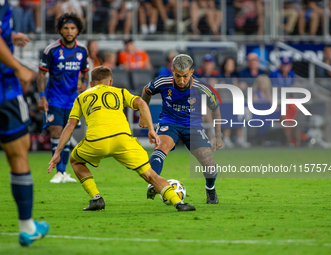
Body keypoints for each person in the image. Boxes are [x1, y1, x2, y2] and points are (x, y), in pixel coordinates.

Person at [48, 66, 195, 212]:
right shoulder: (120, 92)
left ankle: (96, 198)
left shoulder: (81, 97)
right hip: (123, 140)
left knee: (75, 160)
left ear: (91, 84)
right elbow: (142, 103)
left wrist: (57, 152)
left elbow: (70, 125)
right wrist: (151, 129)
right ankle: (179, 203)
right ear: (110, 82)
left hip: (96, 142)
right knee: (150, 175)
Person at [139, 54, 223, 204]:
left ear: (192, 72)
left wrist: (218, 135)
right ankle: (153, 183)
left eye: (185, 76)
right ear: (172, 70)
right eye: (178, 76)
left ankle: (210, 189)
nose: (181, 80)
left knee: (209, 164)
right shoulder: (162, 82)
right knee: (161, 147)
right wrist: (142, 115)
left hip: (193, 126)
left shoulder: (202, 87)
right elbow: (146, 91)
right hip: (169, 122)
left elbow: (215, 108)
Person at [0, 0, 49, 246]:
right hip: (4, 91)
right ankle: (27, 226)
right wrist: (17, 66)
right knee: (19, 153)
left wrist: (9, 36)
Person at [37, 13, 89, 183]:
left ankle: (64, 172)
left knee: (67, 134)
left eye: (72, 28)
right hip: (54, 99)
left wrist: (84, 85)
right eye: (65, 28)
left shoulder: (82, 50)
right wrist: (42, 97)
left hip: (73, 100)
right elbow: (41, 75)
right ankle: (59, 171)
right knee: (56, 132)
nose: (69, 31)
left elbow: (86, 74)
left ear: (78, 30)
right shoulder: (51, 50)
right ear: (60, 29)